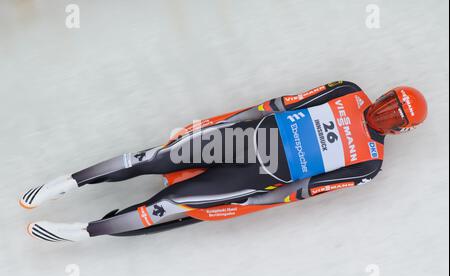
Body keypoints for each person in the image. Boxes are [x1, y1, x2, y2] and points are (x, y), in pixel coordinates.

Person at [19, 81, 428, 243]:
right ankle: (67, 183)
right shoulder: (348, 91)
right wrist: (229, 120)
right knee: (153, 158)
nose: (384, 113)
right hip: (241, 139)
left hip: (257, 175)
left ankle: (86, 231)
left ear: (399, 130)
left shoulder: (369, 164)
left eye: (394, 116)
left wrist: (252, 202)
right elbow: (283, 103)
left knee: (170, 204)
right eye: (388, 104)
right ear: (382, 95)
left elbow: (307, 190)